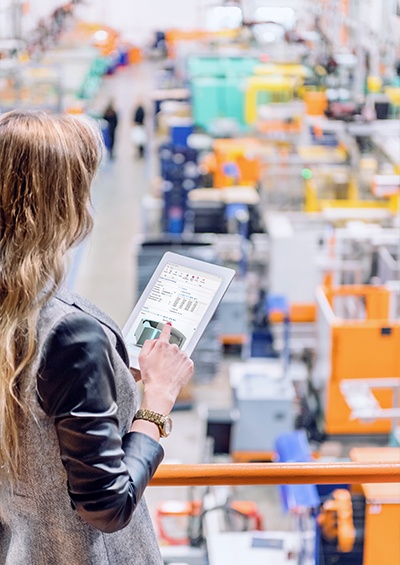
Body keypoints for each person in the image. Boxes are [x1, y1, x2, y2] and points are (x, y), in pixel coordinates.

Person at [0, 109, 194, 564]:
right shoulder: (67, 331)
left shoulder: (22, 317)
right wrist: (157, 400)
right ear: (63, 204)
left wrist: (100, 379)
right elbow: (108, 506)